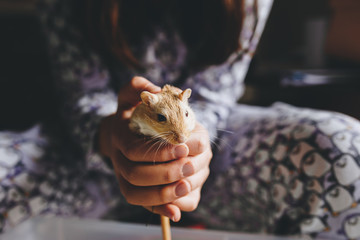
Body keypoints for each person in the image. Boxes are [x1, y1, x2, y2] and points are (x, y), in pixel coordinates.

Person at [1, 0, 360, 239]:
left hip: (216, 152)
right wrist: (112, 135)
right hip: (83, 151)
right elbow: (82, 94)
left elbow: (213, 95)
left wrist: (198, 148)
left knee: (346, 148)